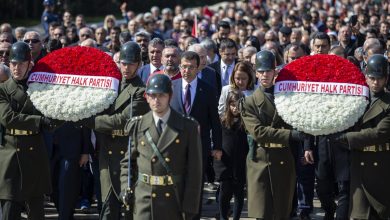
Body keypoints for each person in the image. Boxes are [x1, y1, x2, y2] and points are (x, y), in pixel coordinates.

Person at [120, 73, 202, 220]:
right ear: (146, 96)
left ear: (169, 96)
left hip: (173, 199)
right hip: (143, 199)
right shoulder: (138, 125)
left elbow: (194, 171)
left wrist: (190, 206)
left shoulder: (187, 126)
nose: (156, 100)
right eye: (152, 95)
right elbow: (128, 162)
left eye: (161, 95)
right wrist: (125, 188)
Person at [83, 42, 149, 220]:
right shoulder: (111, 84)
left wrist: (91, 121)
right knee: (107, 208)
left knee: (128, 208)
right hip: (106, 152)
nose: (126, 68)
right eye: (123, 63)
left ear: (139, 64)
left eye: (131, 64)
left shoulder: (141, 91)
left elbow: (121, 121)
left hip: (127, 156)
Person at [240, 50, 307, 219]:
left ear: (275, 71)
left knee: (282, 212)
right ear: (255, 72)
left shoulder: (287, 98)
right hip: (260, 160)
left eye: (268, 70)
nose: (264, 75)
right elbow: (259, 132)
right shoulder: (249, 102)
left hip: (283, 158)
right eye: (261, 71)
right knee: (262, 213)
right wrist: (290, 135)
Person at [0, 41, 61, 219]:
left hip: (34, 154)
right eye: (13, 63)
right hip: (10, 156)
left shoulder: (41, 87)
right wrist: (40, 121)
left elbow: (54, 117)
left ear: (30, 63)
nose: (16, 67)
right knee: (9, 212)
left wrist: (71, 113)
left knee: (36, 212)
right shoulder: (3, 89)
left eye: (20, 63)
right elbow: (8, 119)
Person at [329, 55, 390, 220]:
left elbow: (379, 133)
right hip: (358, 160)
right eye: (372, 78)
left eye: (380, 78)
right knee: (359, 213)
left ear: (386, 78)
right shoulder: (357, 99)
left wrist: (346, 138)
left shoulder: (388, 102)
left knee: (380, 212)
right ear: (365, 76)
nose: (376, 82)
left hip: (380, 163)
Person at [170, 51, 222, 219]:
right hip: (174, 147)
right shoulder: (171, 86)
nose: (187, 70)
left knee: (195, 188)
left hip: (199, 148)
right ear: (180, 67)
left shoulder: (208, 89)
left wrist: (217, 147)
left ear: (198, 68)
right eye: (184, 66)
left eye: (191, 67)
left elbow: (215, 121)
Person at [214, 90, 248, 220]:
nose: (235, 108)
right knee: (225, 193)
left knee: (239, 193)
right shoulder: (222, 121)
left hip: (240, 162)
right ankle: (223, 217)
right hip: (225, 162)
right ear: (228, 105)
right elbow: (217, 139)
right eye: (232, 105)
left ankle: (236, 218)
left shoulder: (246, 122)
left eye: (238, 105)